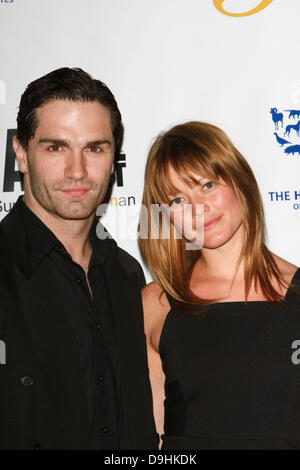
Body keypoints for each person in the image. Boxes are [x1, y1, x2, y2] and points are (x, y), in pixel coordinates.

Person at [0, 67, 157, 450]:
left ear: (113, 156)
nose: (77, 171)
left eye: (94, 148)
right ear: (21, 153)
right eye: (56, 147)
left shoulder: (126, 274)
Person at [139, 121, 300, 450]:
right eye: (178, 201)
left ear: (239, 179)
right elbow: (150, 441)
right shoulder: (153, 304)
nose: (198, 209)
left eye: (207, 185)